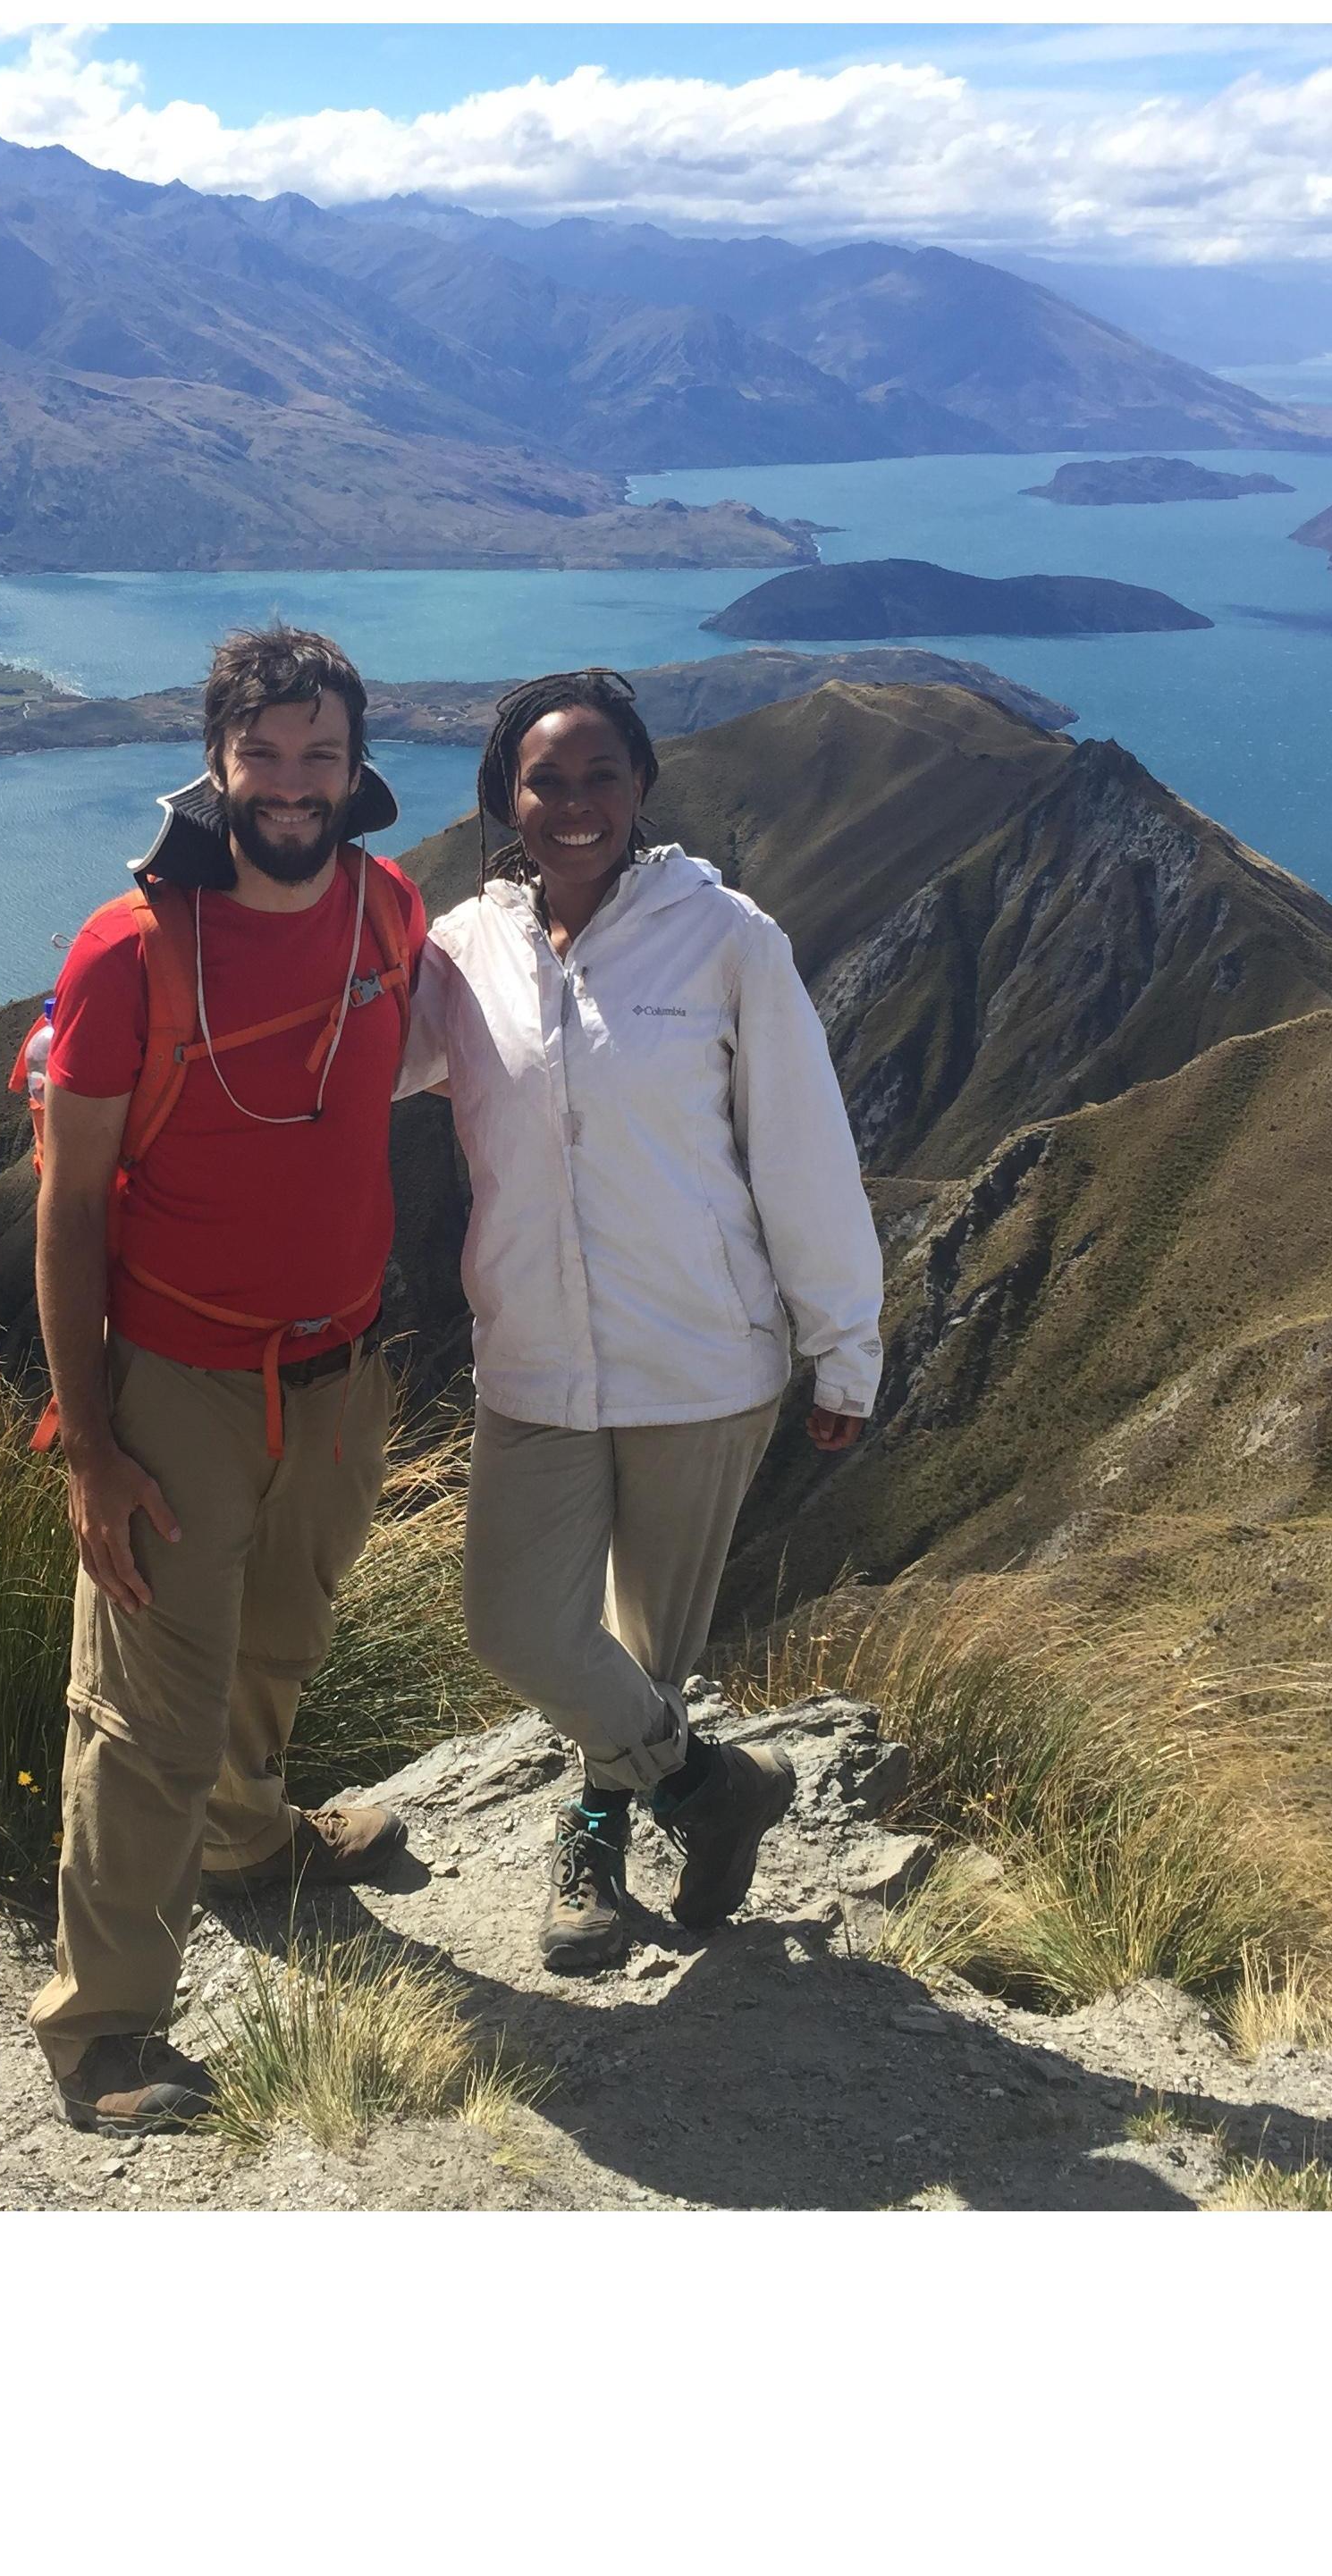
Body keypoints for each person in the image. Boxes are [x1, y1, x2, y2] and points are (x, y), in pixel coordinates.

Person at [400, 667, 886, 1972]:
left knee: (645, 1646)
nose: (573, 804)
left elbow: (802, 1149)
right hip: (535, 1360)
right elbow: (357, 1066)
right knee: (515, 1626)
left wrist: (844, 1344)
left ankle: (595, 1850)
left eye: (599, 775)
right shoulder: (464, 951)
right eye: (545, 780)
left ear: (642, 788)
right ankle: (716, 1789)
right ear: (507, 795)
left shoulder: (726, 937)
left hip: (705, 1357)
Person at [24, 624, 426, 2132]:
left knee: (281, 1637)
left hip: (336, 1373)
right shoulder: (128, 954)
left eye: (320, 754)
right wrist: (92, 1450)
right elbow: (66, 1214)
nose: (292, 783)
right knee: (147, 1716)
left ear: (355, 764)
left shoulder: (390, 908)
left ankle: (254, 1844)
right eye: (263, 753)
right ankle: (103, 2031)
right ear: (217, 760)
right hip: (179, 1385)